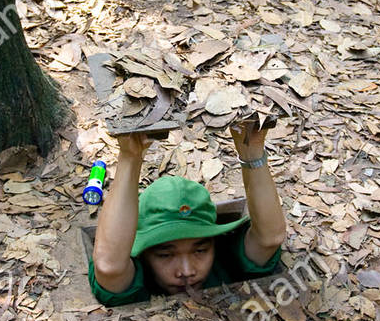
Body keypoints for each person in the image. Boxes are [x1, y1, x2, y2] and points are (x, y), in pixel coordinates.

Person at [89, 122, 286, 307]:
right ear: (143, 253)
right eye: (166, 255)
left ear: (214, 243)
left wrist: (252, 151)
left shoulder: (227, 261)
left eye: (200, 251)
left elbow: (270, 238)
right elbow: (108, 266)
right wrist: (130, 156)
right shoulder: (135, 282)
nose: (186, 271)